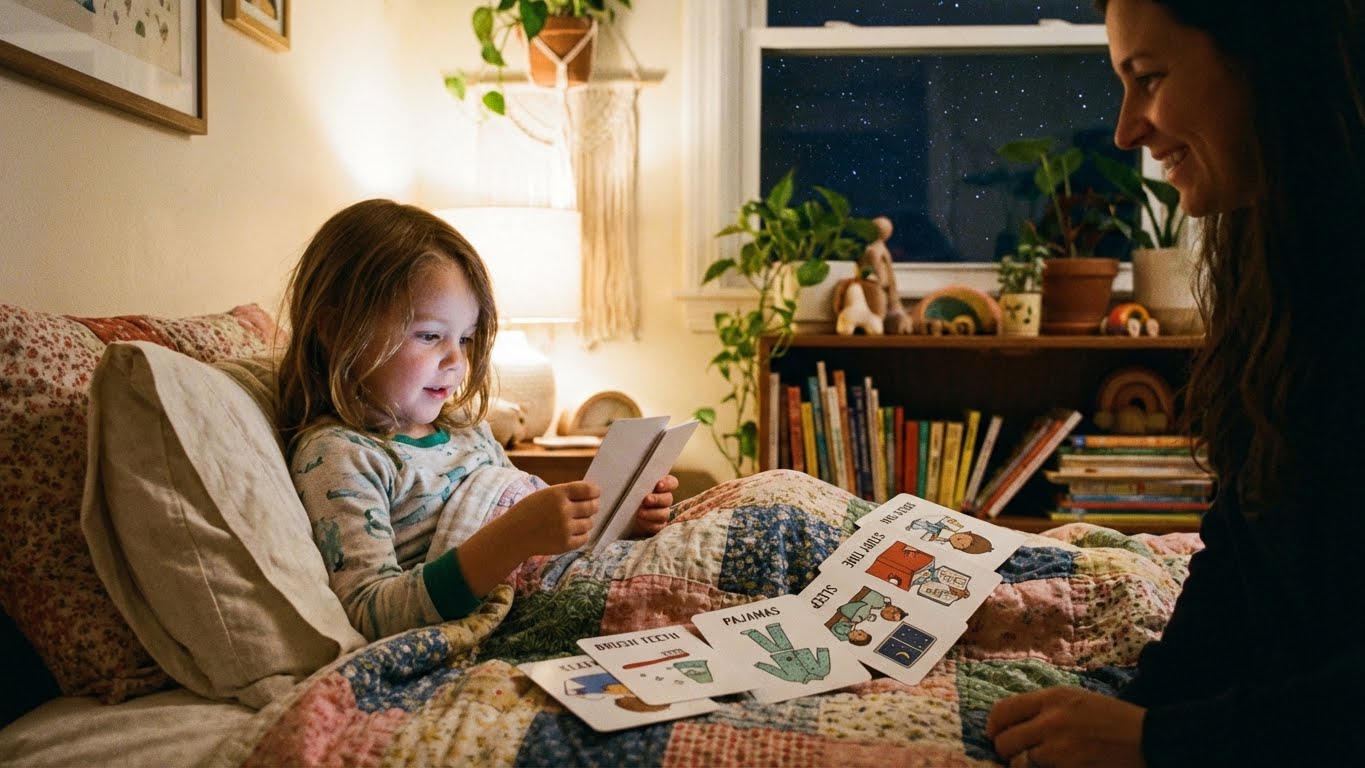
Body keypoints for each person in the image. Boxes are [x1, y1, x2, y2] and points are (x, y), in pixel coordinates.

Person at [986, 1, 1365, 765]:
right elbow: (1244, 539)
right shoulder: (1284, 269)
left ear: (1280, 63)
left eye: (1150, 77)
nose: (1127, 131)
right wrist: (1145, 706)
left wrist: (1165, 742)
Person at [276, 199, 678, 641]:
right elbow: (371, 610)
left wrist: (621, 520)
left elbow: (536, 535)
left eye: (465, 339)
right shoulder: (341, 456)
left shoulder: (468, 430)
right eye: (430, 336)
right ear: (337, 330)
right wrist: (514, 536)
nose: (456, 360)